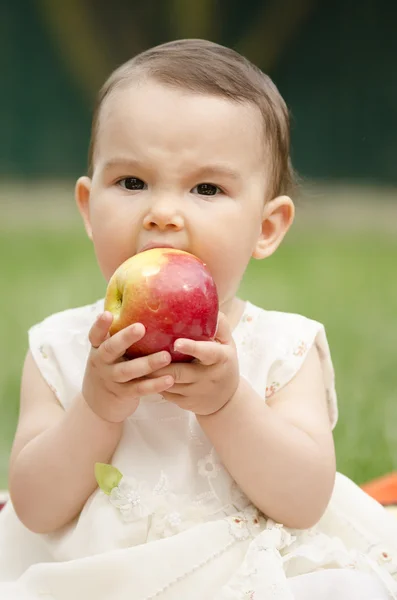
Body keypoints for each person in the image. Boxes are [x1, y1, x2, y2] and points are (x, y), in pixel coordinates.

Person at [0, 38, 396, 600]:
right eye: (132, 183)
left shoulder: (284, 348)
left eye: (206, 188)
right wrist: (96, 408)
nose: (162, 213)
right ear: (89, 208)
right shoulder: (62, 348)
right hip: (101, 577)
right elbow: (35, 509)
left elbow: (305, 500)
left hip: (245, 574)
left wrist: (228, 402)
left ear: (267, 227)